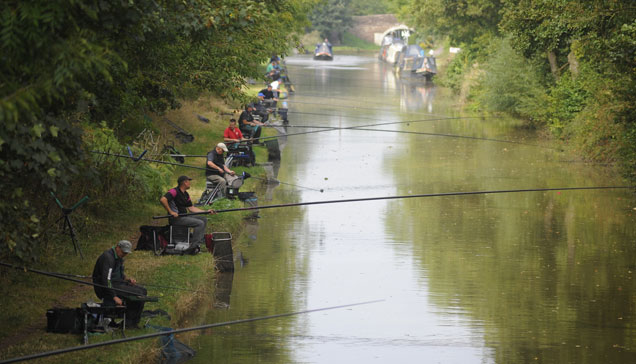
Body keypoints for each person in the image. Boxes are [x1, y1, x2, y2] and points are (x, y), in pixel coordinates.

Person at [92, 240, 147, 327]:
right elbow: (106, 280)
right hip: (106, 288)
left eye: (126, 253)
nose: (125, 254)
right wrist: (114, 296)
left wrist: (127, 279)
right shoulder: (108, 257)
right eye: (123, 252)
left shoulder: (118, 257)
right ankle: (129, 323)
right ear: (118, 247)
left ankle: (133, 322)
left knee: (143, 290)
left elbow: (117, 273)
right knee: (138, 293)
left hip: (117, 284)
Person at [159, 175, 213, 249]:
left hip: (184, 216)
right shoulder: (174, 191)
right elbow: (163, 199)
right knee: (199, 223)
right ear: (184, 182)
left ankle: (198, 241)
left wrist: (206, 211)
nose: (189, 183)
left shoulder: (186, 194)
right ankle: (194, 246)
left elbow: (191, 208)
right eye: (188, 181)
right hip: (176, 219)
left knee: (203, 219)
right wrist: (171, 212)